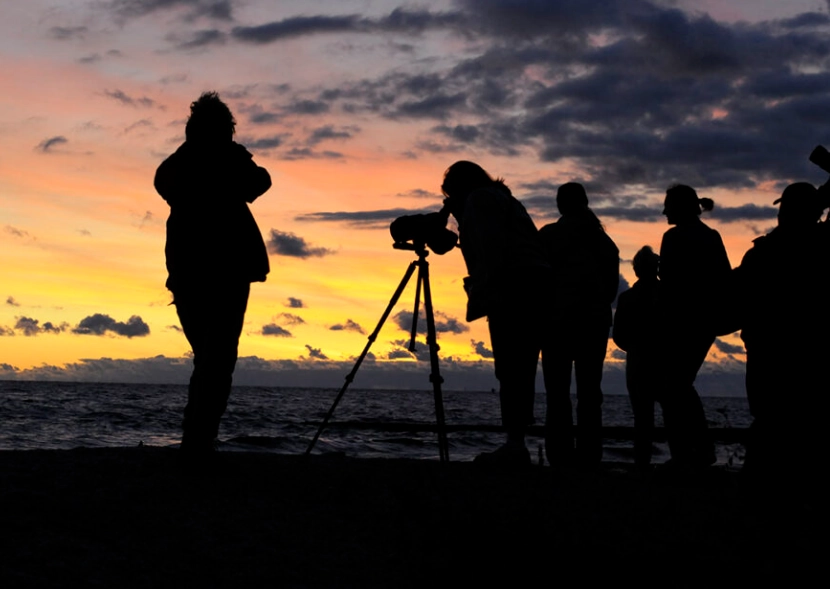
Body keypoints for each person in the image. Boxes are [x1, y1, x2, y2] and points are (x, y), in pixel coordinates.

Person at [154, 92, 271, 461]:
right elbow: (259, 182)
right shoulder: (223, 160)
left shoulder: (178, 163)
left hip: (190, 270)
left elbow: (164, 185)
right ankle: (199, 439)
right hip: (222, 269)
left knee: (209, 357)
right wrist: (233, 156)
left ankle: (198, 437)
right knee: (216, 358)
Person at [441, 161, 550, 465]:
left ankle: (515, 446)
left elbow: (490, 248)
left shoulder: (480, 199)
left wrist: (484, 291)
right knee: (521, 366)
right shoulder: (505, 199)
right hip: (535, 284)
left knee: (511, 365)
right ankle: (517, 443)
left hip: (513, 286)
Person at [734, 182, 827, 483]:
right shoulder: (822, 246)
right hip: (804, 351)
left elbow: (738, 299)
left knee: (771, 421)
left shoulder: (764, 252)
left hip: (770, 350)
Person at [539, 183, 619, 469]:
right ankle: (589, 455)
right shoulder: (604, 242)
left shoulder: (548, 236)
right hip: (593, 325)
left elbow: (537, 282)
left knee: (557, 393)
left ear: (560, 204)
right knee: (589, 393)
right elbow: (611, 291)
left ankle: (559, 456)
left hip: (556, 324)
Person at [658, 184, 730, 470]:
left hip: (681, 322)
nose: (664, 211)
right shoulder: (711, 236)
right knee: (679, 385)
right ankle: (698, 449)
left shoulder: (673, 237)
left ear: (678, 207)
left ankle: (686, 453)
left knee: (672, 386)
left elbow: (670, 284)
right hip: (704, 323)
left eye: (667, 205)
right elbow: (724, 279)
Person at [612, 246, 662, 469]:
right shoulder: (667, 295)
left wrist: (633, 347)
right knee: (671, 409)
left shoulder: (627, 298)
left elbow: (619, 336)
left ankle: (643, 460)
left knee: (641, 414)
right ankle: (680, 456)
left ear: (636, 270)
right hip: (662, 357)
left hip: (637, 359)